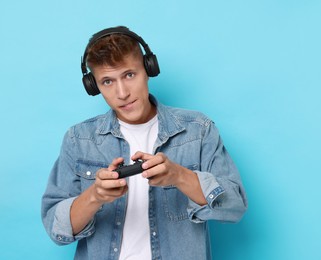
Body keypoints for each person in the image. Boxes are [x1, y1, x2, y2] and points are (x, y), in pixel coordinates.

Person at [41, 26, 247, 260]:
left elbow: (234, 206)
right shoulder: (78, 139)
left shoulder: (198, 129)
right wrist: (95, 196)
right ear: (93, 86)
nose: (122, 93)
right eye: (107, 81)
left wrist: (179, 176)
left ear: (149, 69)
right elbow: (55, 228)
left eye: (129, 75)